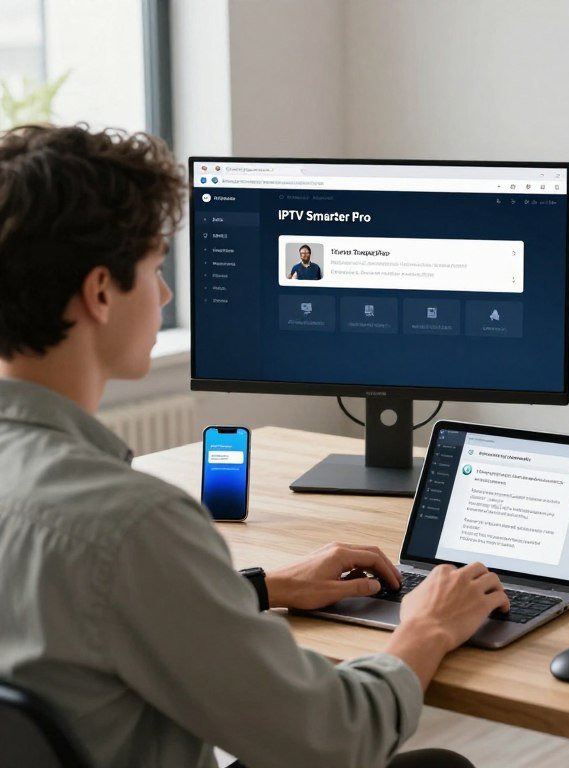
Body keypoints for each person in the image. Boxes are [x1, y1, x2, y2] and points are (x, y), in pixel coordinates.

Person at [0, 124, 507, 768]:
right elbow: (338, 739)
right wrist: (426, 627)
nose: (164, 294)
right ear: (101, 292)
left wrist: (260, 587)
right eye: (156, 270)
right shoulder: (132, 524)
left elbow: (80, 616)